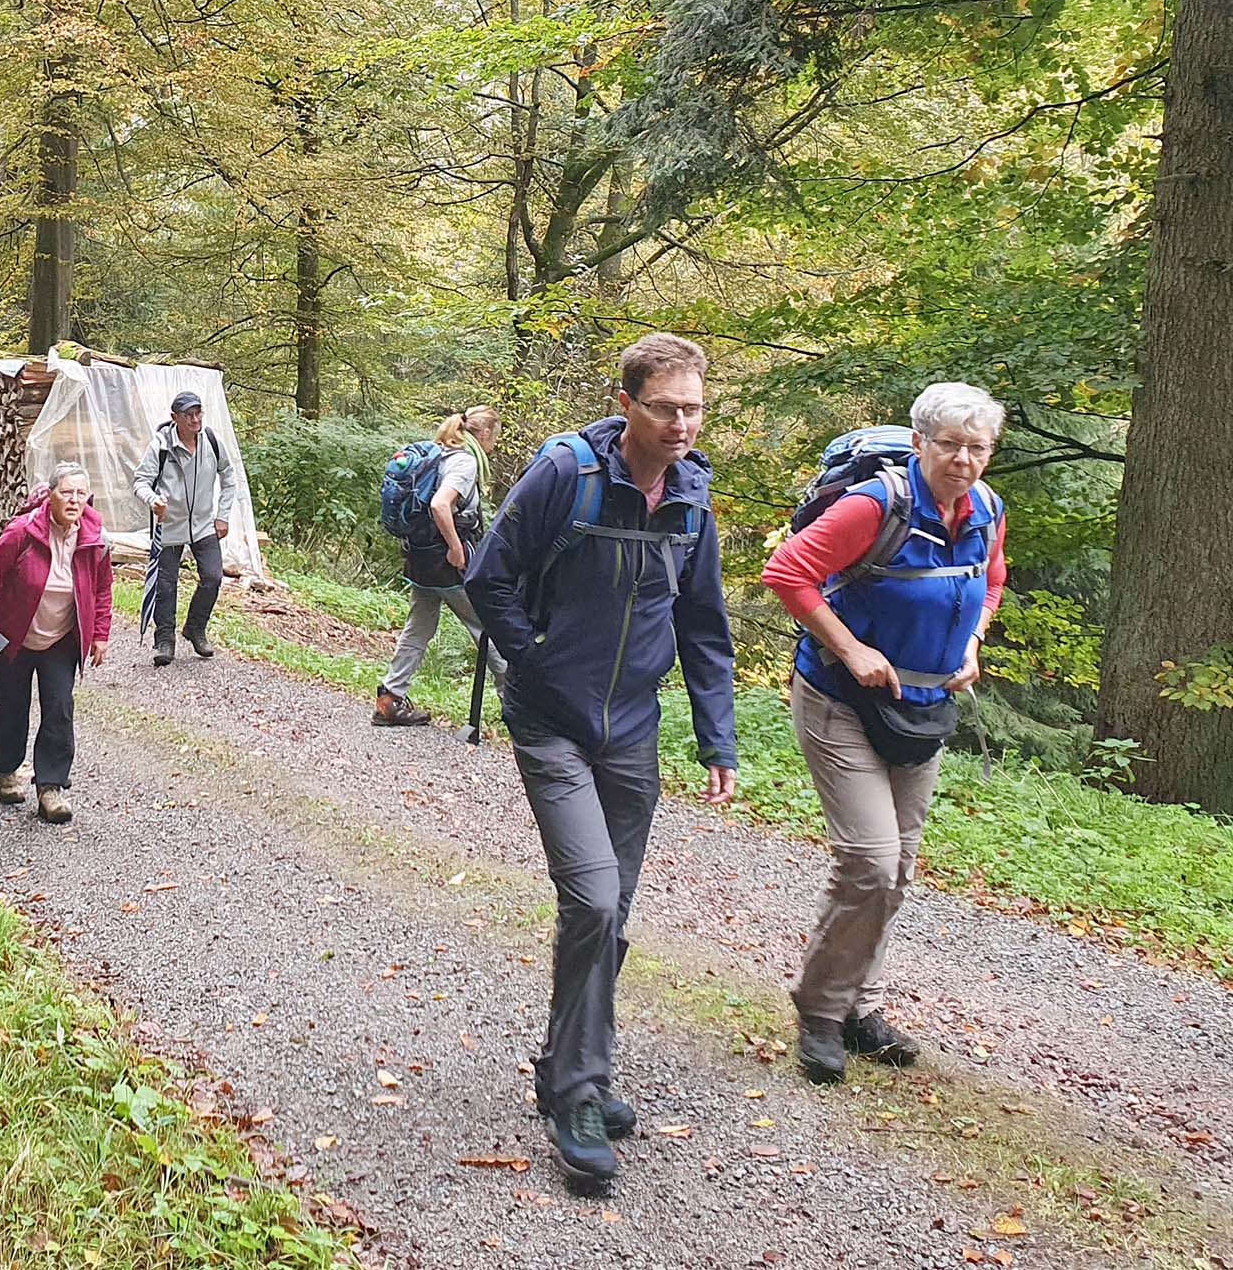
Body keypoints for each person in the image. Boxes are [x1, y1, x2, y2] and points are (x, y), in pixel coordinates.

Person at [465, 333, 737, 1190]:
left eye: (694, 407)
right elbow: (487, 576)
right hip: (551, 722)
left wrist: (716, 735)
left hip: (632, 730)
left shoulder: (692, 500)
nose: (683, 422)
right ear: (628, 405)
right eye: (666, 406)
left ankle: (563, 1065)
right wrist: (529, 659)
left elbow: (702, 625)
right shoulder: (566, 475)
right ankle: (582, 1093)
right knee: (593, 894)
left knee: (609, 916)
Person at [760, 383, 1007, 1085]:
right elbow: (788, 572)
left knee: (896, 869)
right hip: (840, 701)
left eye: (977, 448)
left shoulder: (986, 510)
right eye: (950, 445)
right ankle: (819, 1012)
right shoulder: (877, 505)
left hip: (921, 707)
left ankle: (859, 1009)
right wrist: (850, 649)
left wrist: (973, 645)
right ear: (921, 441)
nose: (963, 460)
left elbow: (990, 581)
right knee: (869, 859)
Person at [0, 463, 114, 824]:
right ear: (50, 495)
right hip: (12, 638)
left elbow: (102, 589)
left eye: (81, 494)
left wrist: (99, 634)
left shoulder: (95, 539)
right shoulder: (22, 533)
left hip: (60, 640)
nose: (74, 500)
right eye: (66, 492)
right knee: (11, 709)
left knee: (60, 709)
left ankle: (51, 786)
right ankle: (6, 770)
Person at [372, 406, 507, 727]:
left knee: (418, 627)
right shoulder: (464, 461)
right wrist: (456, 549)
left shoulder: (440, 454)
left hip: (421, 559)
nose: (494, 444)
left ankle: (389, 699)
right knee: (490, 629)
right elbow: (439, 504)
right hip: (447, 564)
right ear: (485, 433)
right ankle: (518, 708)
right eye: (495, 436)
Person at [131, 390, 239, 666]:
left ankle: (195, 628)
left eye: (198, 413)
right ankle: (164, 640)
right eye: (188, 415)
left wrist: (222, 515)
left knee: (213, 577)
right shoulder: (161, 446)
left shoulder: (212, 442)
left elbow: (229, 476)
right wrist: (153, 500)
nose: (194, 419)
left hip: (204, 524)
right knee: (166, 585)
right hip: (169, 525)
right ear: (174, 418)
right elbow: (140, 481)